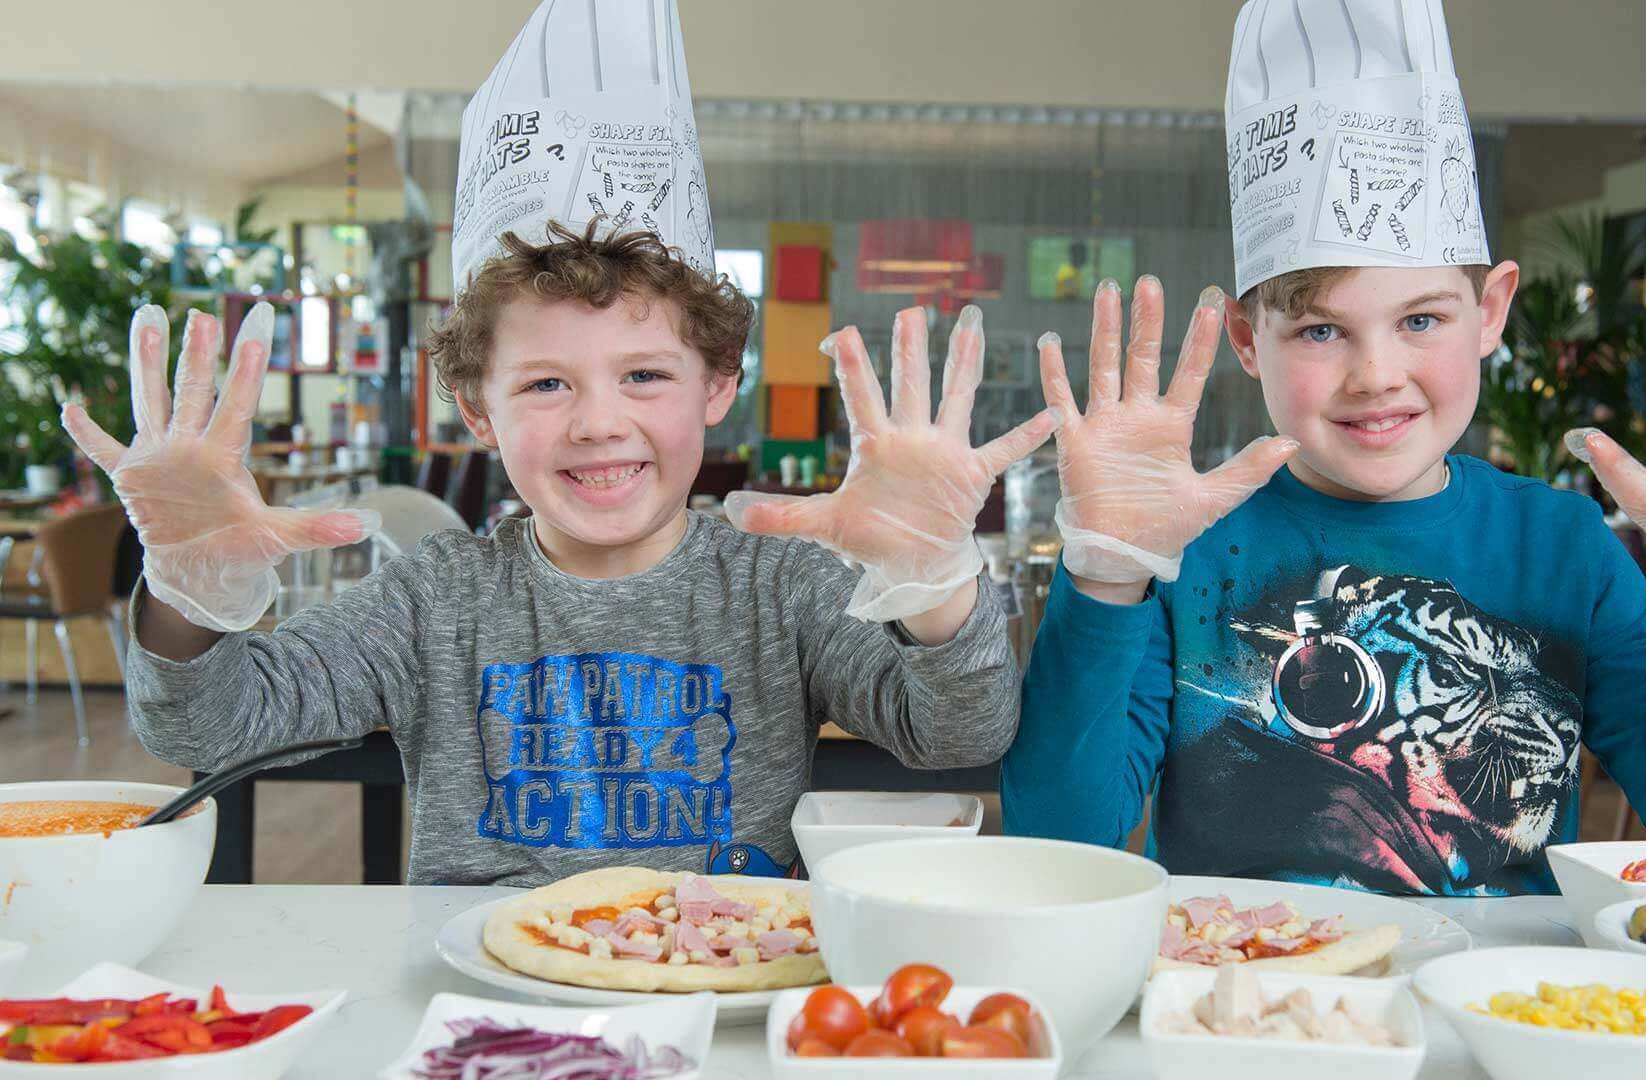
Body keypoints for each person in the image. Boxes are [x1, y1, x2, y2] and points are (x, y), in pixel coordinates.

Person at [62, 0, 1051, 886]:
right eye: (545, 383)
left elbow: (956, 733)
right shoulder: (434, 599)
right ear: (476, 409)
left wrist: (936, 584)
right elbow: (205, 725)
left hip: (728, 989)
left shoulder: (776, 586)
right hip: (476, 1009)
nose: (597, 421)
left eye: (644, 375)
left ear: (716, 385)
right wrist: (188, 596)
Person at [1001, 0, 1646, 895]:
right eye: (1319, 331)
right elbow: (1054, 845)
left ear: (1492, 311)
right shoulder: (1185, 548)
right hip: (1235, 1012)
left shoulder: (1564, 549)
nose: (1375, 374)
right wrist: (1109, 574)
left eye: (1421, 318)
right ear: (1245, 336)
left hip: (1504, 1017)